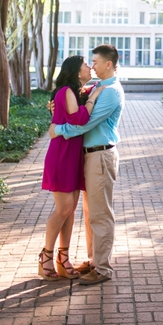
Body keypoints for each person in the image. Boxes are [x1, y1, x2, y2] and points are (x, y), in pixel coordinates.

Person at [50, 43, 126, 285]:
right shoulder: (96, 87)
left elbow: (86, 123)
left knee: (101, 214)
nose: (91, 66)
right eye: (89, 63)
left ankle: (103, 268)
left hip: (100, 156)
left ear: (108, 64)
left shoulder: (111, 91)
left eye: (95, 62)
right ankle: (94, 261)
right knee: (91, 213)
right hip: (87, 156)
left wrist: (59, 129)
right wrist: (55, 107)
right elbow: (72, 106)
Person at [38, 55, 102, 279]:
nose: (89, 68)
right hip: (61, 155)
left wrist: (90, 92)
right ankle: (45, 255)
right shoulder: (66, 90)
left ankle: (63, 259)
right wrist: (93, 97)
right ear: (76, 72)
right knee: (63, 208)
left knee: (70, 209)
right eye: (86, 65)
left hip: (74, 155)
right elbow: (79, 119)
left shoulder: (75, 92)